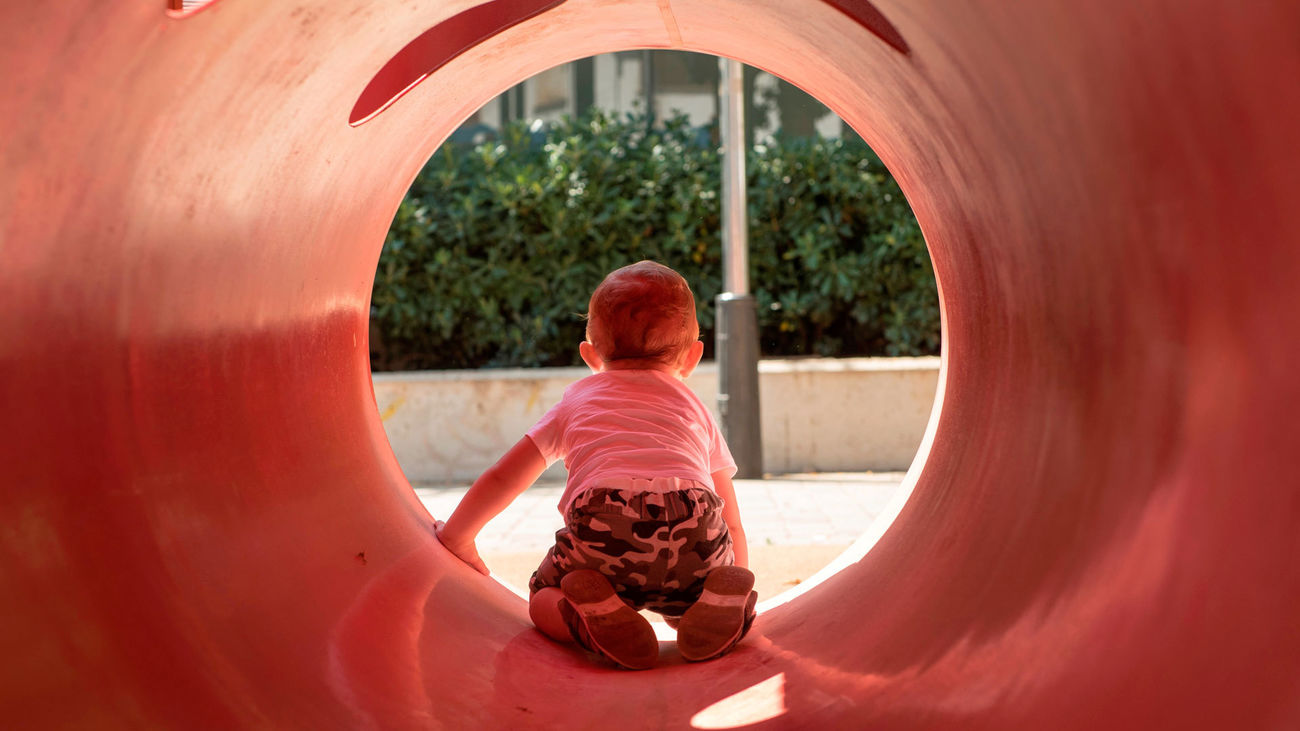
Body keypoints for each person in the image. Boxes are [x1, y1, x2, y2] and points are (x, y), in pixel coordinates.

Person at [435, 260, 756, 670]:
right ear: (693, 357)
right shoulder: (694, 409)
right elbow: (730, 514)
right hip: (694, 519)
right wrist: (732, 574)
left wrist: (459, 536)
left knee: (543, 597)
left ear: (590, 354)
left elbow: (506, 476)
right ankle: (720, 602)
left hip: (606, 520)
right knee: (691, 601)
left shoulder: (578, 402)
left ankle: (584, 620)